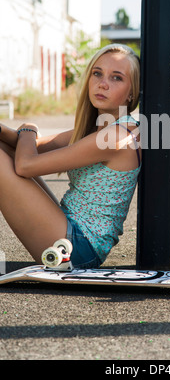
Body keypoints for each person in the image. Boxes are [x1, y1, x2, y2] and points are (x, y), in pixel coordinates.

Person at [0, 43, 141, 269]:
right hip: (68, 228)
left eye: (116, 78)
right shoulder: (103, 128)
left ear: (132, 92)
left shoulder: (116, 136)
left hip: (78, 247)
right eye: (97, 74)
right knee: (4, 150)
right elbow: (29, 146)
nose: (102, 83)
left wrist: (29, 126)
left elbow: (25, 165)